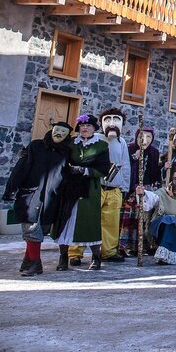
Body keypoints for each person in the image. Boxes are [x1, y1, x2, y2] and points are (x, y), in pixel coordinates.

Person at [2, 120, 70, 277]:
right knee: (31, 227)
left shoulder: (66, 152)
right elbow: (21, 167)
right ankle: (35, 263)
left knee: (39, 229)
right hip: (31, 194)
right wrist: (11, 189)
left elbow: (66, 175)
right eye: (57, 130)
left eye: (63, 132)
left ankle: (28, 260)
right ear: (51, 130)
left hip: (51, 197)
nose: (59, 134)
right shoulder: (36, 146)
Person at [51, 114, 112, 271]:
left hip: (89, 189)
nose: (85, 128)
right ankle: (63, 257)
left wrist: (84, 170)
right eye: (82, 126)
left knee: (90, 222)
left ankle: (96, 257)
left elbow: (104, 169)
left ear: (94, 128)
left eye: (88, 126)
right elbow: (58, 157)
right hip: (69, 187)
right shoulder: (71, 143)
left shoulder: (101, 146)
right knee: (64, 221)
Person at [69, 107, 129, 265]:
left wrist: (124, 187)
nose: (112, 123)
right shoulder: (94, 139)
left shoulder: (122, 142)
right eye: (108, 120)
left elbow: (125, 165)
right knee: (85, 219)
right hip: (95, 187)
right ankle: (75, 253)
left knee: (111, 222)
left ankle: (108, 252)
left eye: (116, 120)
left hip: (114, 188)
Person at [136, 172, 176, 265]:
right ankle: (164, 253)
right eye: (175, 179)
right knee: (169, 220)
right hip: (161, 228)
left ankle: (169, 254)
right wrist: (143, 194)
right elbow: (151, 199)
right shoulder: (162, 193)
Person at [120, 125, 160, 258]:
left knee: (145, 217)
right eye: (142, 136)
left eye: (149, 137)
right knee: (130, 217)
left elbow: (155, 171)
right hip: (131, 189)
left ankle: (143, 246)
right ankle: (125, 246)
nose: (145, 140)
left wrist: (163, 168)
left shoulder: (154, 152)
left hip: (146, 188)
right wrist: (134, 158)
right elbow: (126, 169)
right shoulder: (129, 149)